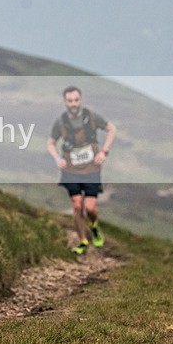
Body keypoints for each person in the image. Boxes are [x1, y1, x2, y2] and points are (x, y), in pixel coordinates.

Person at [47, 86, 117, 255]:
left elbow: (111, 129)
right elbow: (50, 142)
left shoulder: (91, 117)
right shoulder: (60, 122)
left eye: (76, 100)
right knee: (77, 205)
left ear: (81, 100)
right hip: (71, 168)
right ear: (65, 102)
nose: (73, 104)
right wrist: (57, 158)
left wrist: (104, 151)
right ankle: (83, 241)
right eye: (70, 101)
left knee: (90, 207)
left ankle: (94, 226)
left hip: (91, 167)